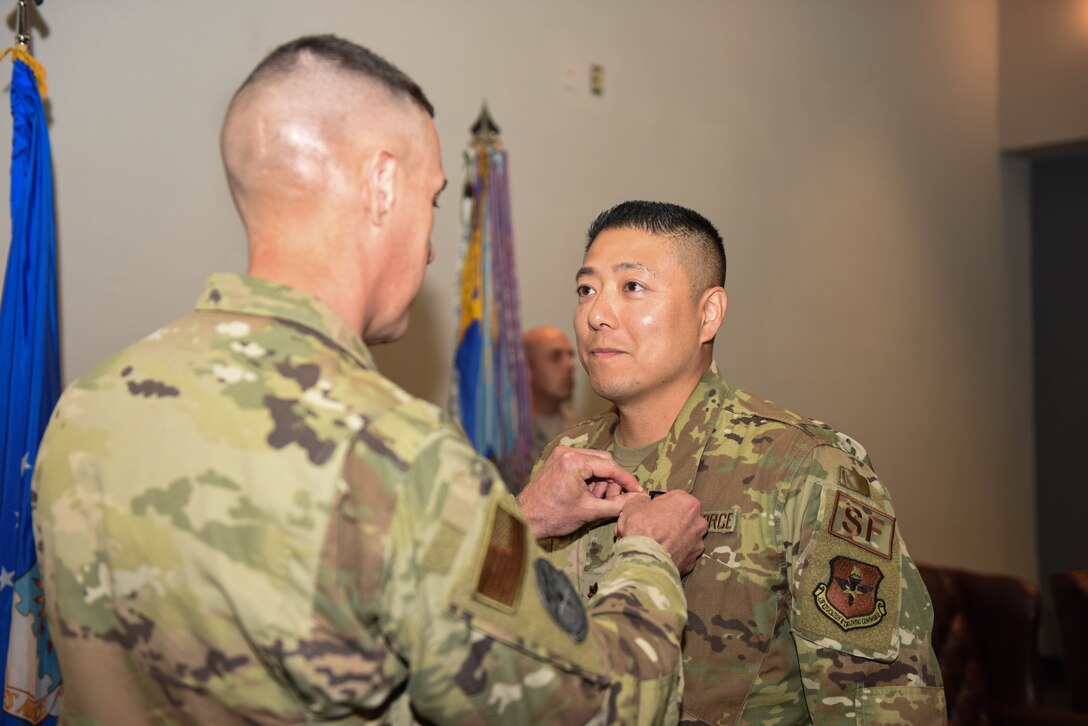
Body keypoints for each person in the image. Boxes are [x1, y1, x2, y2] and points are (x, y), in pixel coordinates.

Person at [31, 38, 709, 724]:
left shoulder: (91, 405)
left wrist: (515, 520)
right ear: (383, 185)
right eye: (434, 200)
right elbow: (587, 707)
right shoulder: (396, 454)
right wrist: (648, 557)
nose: (432, 246)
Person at [539, 201, 947, 723]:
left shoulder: (804, 468)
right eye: (586, 289)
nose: (596, 314)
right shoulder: (562, 464)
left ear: (708, 313)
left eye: (632, 287)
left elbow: (881, 704)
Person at [522, 325, 578, 464]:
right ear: (527, 369)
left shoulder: (587, 431)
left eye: (570, 355)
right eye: (555, 357)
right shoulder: (505, 441)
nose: (571, 365)